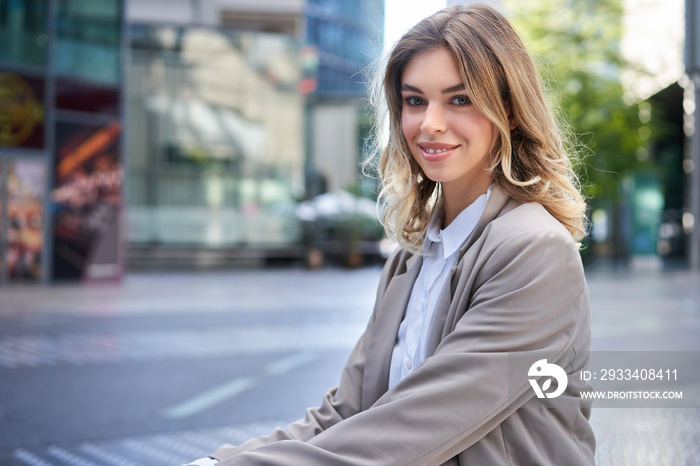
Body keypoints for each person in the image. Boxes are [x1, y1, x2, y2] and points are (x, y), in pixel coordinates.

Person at [187, 4, 594, 465]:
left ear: (510, 110)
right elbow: (346, 411)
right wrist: (223, 459)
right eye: (415, 100)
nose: (429, 123)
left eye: (459, 99)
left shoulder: (535, 251)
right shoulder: (413, 258)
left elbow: (420, 422)